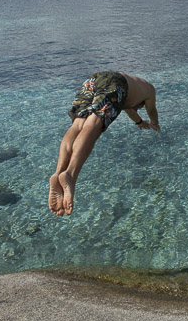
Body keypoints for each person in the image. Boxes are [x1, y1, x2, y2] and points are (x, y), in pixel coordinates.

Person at [48, 71, 159, 216]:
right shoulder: (149, 90)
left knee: (77, 125)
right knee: (92, 125)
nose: (138, 109)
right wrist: (154, 123)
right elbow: (151, 109)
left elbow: (127, 108)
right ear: (141, 102)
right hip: (116, 83)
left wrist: (139, 121)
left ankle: (58, 173)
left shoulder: (134, 88)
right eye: (139, 108)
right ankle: (70, 174)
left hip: (94, 79)